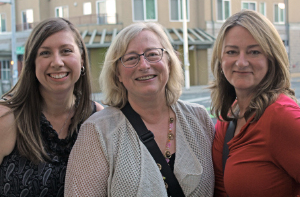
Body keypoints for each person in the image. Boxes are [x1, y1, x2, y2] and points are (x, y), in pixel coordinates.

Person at [65, 22, 215, 197]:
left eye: (153, 54)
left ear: (169, 62)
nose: (143, 65)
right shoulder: (98, 132)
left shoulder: (199, 119)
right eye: (130, 58)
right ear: (117, 74)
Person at [0, 18, 103, 196]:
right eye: (45, 53)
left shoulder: (96, 118)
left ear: (82, 59)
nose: (57, 62)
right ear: (32, 62)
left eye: (66, 51)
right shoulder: (8, 117)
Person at [210, 9, 300, 197]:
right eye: (232, 52)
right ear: (221, 60)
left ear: (271, 59)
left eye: (254, 52)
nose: (241, 62)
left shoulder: (282, 116)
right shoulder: (229, 116)